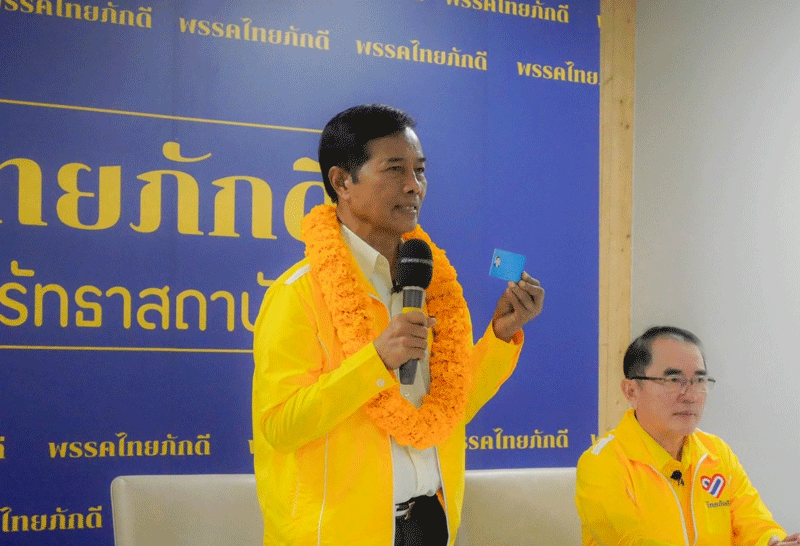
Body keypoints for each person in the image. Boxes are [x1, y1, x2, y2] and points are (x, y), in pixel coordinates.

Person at [251, 104, 545, 546]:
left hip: (430, 523)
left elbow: (452, 408)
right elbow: (281, 427)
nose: (413, 185)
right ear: (341, 182)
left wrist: (501, 336)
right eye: (394, 169)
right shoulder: (298, 293)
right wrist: (374, 362)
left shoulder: (432, 285)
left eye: (420, 170)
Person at [575, 326, 799, 546]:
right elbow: (632, 542)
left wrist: (774, 542)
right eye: (673, 380)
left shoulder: (716, 453)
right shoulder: (602, 463)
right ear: (631, 391)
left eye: (699, 381)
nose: (690, 395)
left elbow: (756, 525)